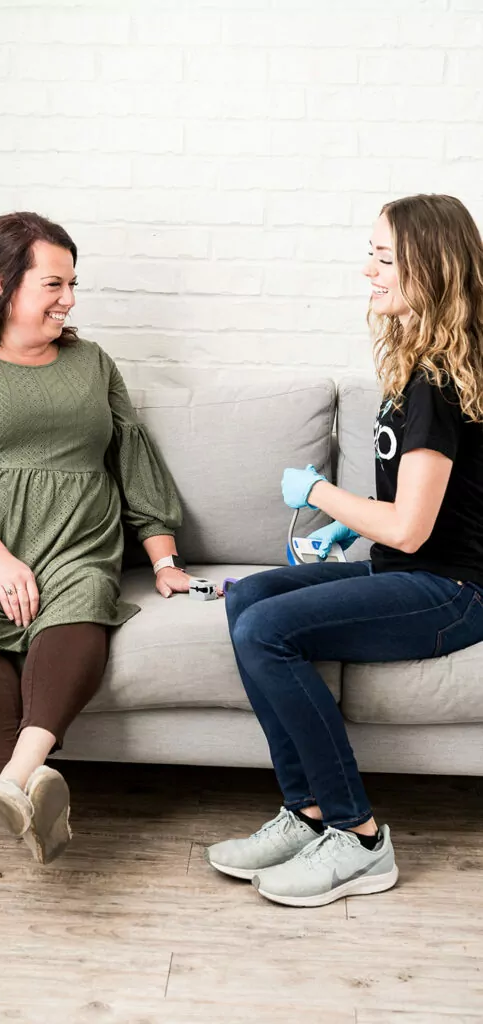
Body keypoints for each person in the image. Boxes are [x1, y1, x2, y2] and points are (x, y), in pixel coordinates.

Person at [0, 212, 188, 863]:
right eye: (53, 283)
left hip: (76, 535)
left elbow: (132, 458)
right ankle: (30, 789)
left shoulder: (91, 363)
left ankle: (15, 779)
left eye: (72, 283)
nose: (69, 299)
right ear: (1, 283)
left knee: (79, 602)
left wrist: (162, 558)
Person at [206, 194, 483, 907]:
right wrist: (346, 528)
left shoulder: (439, 381)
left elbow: (413, 530)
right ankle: (305, 816)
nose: (368, 271)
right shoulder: (417, 367)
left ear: (431, 264)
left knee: (267, 631)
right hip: (412, 569)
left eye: (384, 258)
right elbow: (412, 510)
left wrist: (318, 496)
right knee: (247, 596)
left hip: (452, 591)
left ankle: (357, 838)